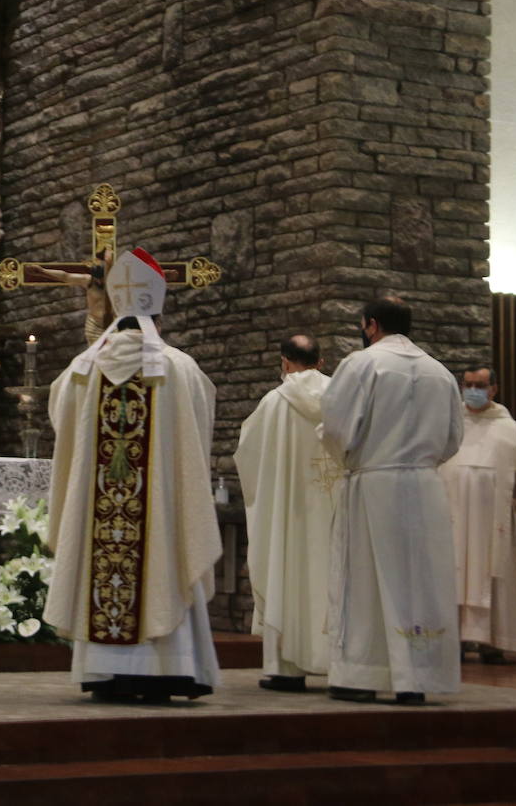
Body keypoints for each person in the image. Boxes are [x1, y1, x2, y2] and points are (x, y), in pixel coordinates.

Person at [43, 248, 222, 703]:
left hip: (100, 511)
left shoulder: (82, 370)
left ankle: (105, 673)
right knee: (163, 555)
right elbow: (200, 428)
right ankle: (170, 670)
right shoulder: (178, 369)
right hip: (158, 509)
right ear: (156, 312)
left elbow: (60, 422)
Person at [320, 297, 462, 705]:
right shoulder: (440, 372)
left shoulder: (363, 364)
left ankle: (361, 675)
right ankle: (415, 678)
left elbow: (337, 427)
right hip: (425, 486)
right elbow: (453, 438)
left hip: (373, 483)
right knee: (421, 582)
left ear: (371, 325)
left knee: (364, 581)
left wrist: (351, 460)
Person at [235, 334, 337, 691]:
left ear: (284, 362)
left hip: (288, 516)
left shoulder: (274, 403)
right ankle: (339, 665)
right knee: (333, 577)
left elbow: (247, 453)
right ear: (321, 362)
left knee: (286, 574)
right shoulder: (341, 397)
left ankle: (285, 670)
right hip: (334, 512)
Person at [440, 366, 516, 662]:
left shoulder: (509, 428)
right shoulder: (451, 422)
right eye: (467, 384)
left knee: (492, 573)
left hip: (493, 522)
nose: (472, 389)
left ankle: (492, 641)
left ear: (493, 389)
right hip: (452, 517)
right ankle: (452, 640)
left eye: (479, 384)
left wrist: (509, 518)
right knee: (452, 572)